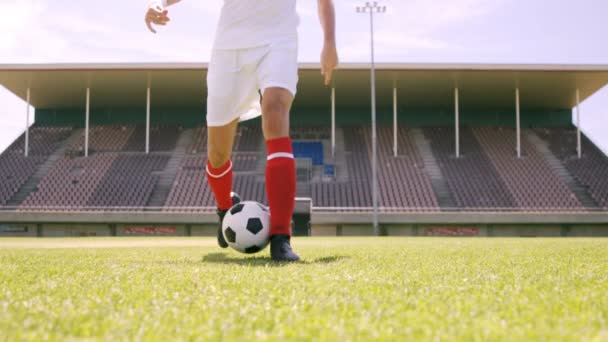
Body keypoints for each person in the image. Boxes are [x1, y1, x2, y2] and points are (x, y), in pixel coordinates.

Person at [145, 0, 338, 261]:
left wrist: (329, 42)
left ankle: (281, 236)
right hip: (229, 48)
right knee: (217, 154)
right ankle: (225, 207)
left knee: (275, 111)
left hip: (278, 40)